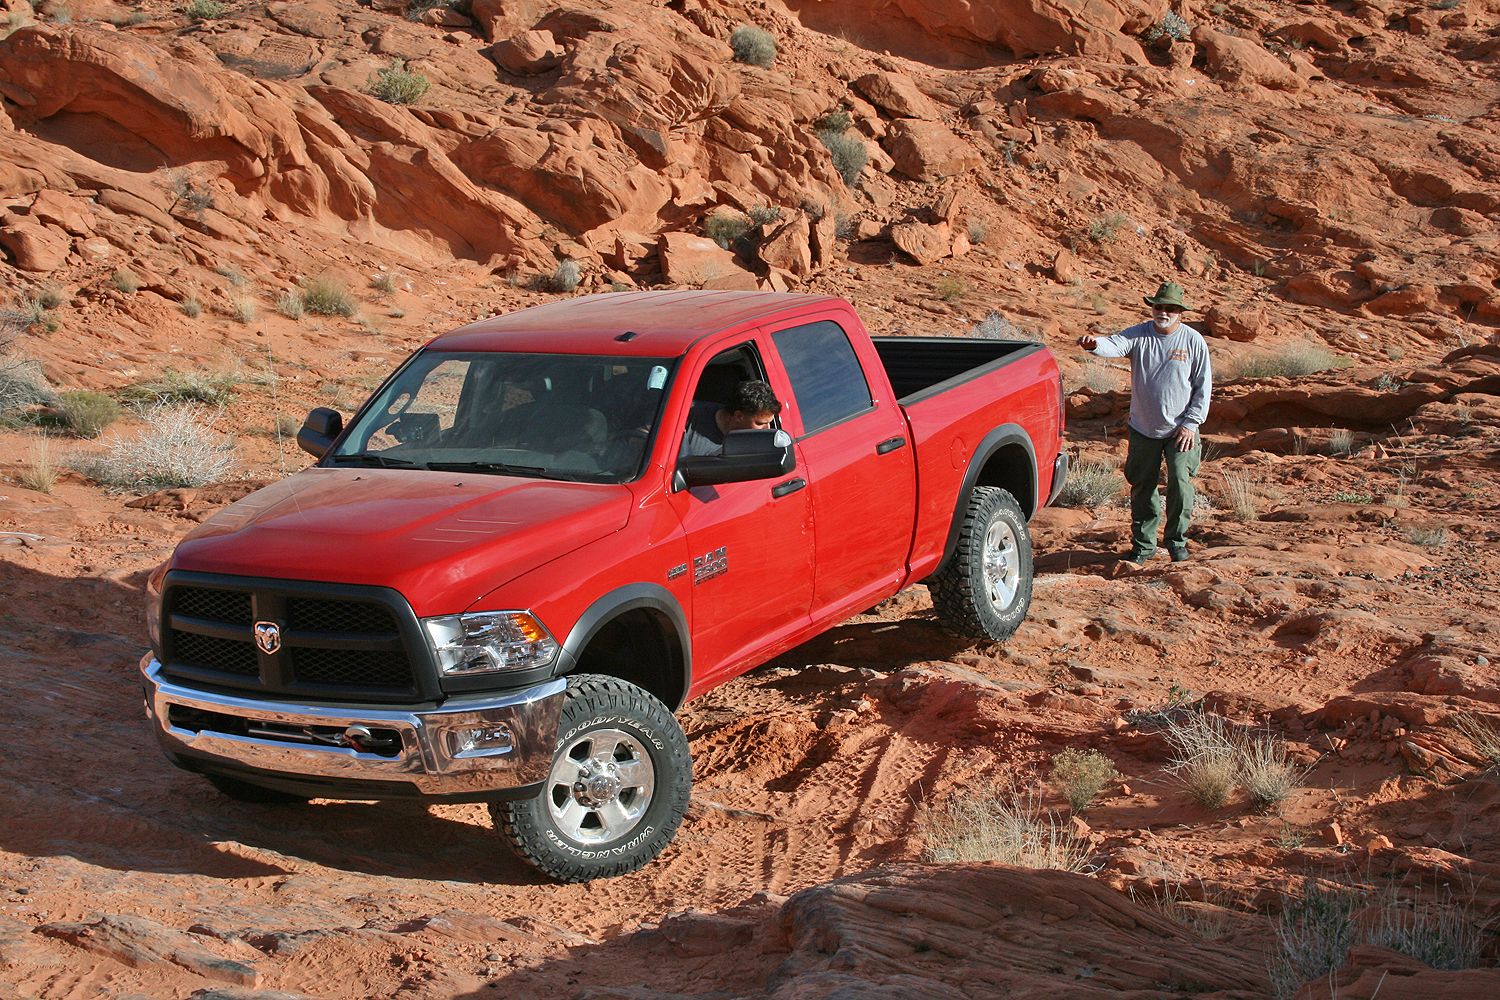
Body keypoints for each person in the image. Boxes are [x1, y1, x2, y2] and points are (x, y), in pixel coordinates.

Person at [1077, 281, 1212, 564]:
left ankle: (1177, 542)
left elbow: (1203, 386)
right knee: (1142, 485)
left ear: (1180, 313)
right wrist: (1094, 345)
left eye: (1170, 309)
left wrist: (1191, 423)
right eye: (1159, 307)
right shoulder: (1139, 334)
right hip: (1143, 428)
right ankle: (1144, 546)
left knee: (1180, 481)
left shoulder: (1193, 341)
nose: (1163, 313)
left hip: (1181, 429)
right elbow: (1114, 344)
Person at [680, 379, 782, 457]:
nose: (767, 429)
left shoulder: (759, 445)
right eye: (759, 423)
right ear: (738, 416)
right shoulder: (686, 418)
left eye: (769, 423)